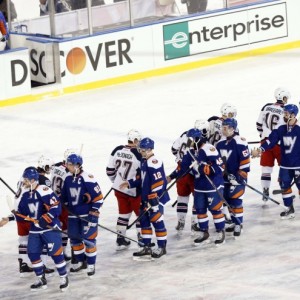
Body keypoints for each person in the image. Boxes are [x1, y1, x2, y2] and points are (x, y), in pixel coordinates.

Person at [0, 156, 55, 277]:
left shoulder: (22, 178)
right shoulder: (41, 180)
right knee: (42, 240)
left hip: (19, 214)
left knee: (23, 241)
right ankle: (43, 265)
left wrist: (9, 218)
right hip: (30, 215)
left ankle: (24, 264)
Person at [15, 167, 69, 291]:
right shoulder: (26, 194)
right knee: (33, 254)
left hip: (49, 228)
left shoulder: (44, 190)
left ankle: (63, 277)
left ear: (33, 180)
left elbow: (56, 206)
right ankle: (41, 279)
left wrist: (46, 217)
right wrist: (10, 217)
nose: (24, 182)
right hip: (35, 229)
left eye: (26, 180)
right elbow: (21, 213)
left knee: (56, 254)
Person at [120, 137, 170, 260]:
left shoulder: (154, 161)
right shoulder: (144, 161)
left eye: (141, 149)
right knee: (144, 223)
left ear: (148, 150)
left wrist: (153, 200)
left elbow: (159, 182)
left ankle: (162, 247)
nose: (140, 151)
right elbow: (143, 180)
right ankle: (146, 247)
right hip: (146, 199)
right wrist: (130, 183)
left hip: (156, 199)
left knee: (157, 222)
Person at [252, 104, 300, 219]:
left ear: (293, 115)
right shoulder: (281, 129)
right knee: (284, 186)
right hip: (285, 166)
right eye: (284, 113)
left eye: (286, 113)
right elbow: (270, 141)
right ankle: (289, 209)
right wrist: (260, 149)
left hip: (298, 165)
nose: (284, 115)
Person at [60, 153, 103, 277]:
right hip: (73, 215)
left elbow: (99, 198)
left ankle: (91, 264)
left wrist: (93, 212)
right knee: (75, 240)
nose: (67, 166)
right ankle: (80, 262)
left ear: (77, 165)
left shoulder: (88, 177)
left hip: (87, 215)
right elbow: (64, 197)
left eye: (69, 164)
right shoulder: (68, 178)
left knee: (89, 240)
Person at [169, 119, 210, 235]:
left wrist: (180, 159)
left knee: (182, 197)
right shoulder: (200, 140)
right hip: (193, 171)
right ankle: (194, 223)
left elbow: (173, 149)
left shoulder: (185, 134)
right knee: (197, 197)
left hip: (180, 169)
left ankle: (180, 222)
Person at [106, 129, 142, 250]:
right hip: (134, 190)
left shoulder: (117, 150)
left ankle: (120, 238)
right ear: (135, 140)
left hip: (119, 189)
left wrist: (117, 182)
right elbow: (142, 174)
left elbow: (109, 171)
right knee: (140, 214)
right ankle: (142, 238)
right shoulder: (138, 153)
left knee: (123, 213)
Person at [216, 118, 250, 237]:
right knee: (226, 200)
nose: (223, 130)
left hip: (238, 178)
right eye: (223, 127)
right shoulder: (220, 143)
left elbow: (245, 162)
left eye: (225, 128)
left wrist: (239, 176)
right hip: (224, 178)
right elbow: (217, 161)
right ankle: (232, 221)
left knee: (236, 200)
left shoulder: (240, 141)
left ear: (232, 128)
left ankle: (238, 223)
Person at [256, 87, 291, 201]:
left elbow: (258, 124)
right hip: (279, 144)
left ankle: (265, 192)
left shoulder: (266, 106)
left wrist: (263, 137)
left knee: (266, 168)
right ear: (283, 97)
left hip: (265, 142)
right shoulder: (286, 110)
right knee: (285, 168)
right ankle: (286, 191)